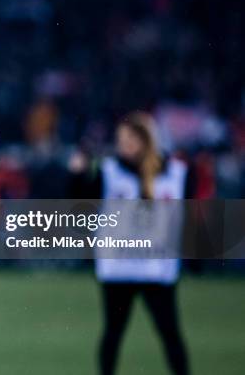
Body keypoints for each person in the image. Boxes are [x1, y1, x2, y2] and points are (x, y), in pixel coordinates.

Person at [70, 112, 192, 375]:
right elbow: (80, 207)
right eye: (120, 140)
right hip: (119, 266)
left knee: (170, 333)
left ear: (144, 141)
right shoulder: (110, 172)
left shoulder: (176, 173)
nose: (122, 146)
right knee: (114, 332)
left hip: (156, 266)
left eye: (128, 140)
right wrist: (78, 174)